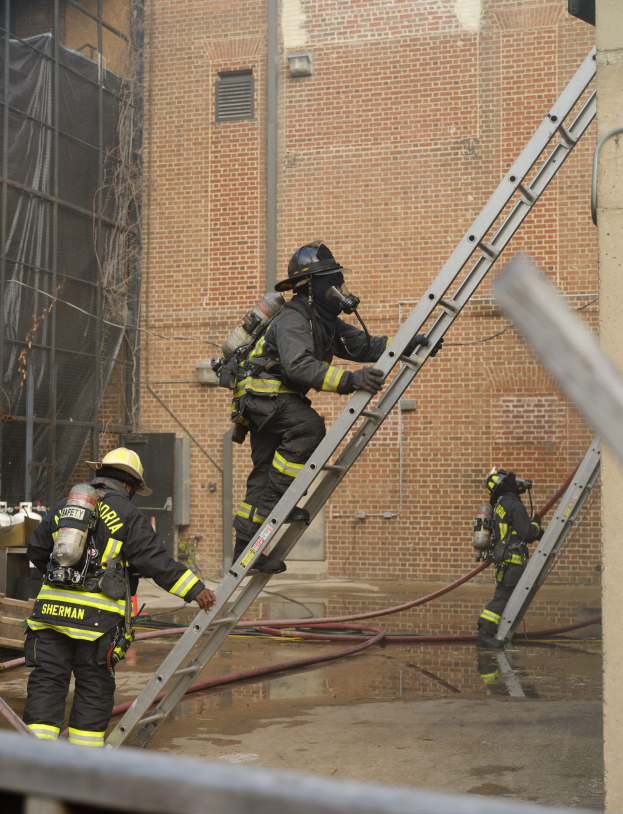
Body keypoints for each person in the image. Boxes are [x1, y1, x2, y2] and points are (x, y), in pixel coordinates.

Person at [231, 240, 440, 573]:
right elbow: (298, 367)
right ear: (316, 286)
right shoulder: (292, 319)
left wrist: (409, 344)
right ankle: (277, 507)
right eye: (336, 281)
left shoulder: (323, 320)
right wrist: (350, 381)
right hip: (263, 395)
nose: (342, 288)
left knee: (264, 473)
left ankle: (245, 552)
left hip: (269, 400)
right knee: (308, 428)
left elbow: (363, 345)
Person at [22, 448, 216, 746]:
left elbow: (36, 550)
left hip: (48, 618)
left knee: (47, 684)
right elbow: (155, 561)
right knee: (93, 687)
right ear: (128, 485)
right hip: (96, 624)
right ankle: (83, 762)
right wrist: (195, 590)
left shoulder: (63, 507)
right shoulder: (127, 513)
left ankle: (33, 759)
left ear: (101, 475)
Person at [476, 467, 543, 649]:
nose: (515, 482)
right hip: (512, 562)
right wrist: (537, 525)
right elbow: (528, 534)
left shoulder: (501, 507)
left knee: (503, 595)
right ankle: (484, 633)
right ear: (504, 485)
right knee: (503, 597)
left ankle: (489, 632)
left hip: (504, 561)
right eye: (511, 480)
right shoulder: (514, 505)